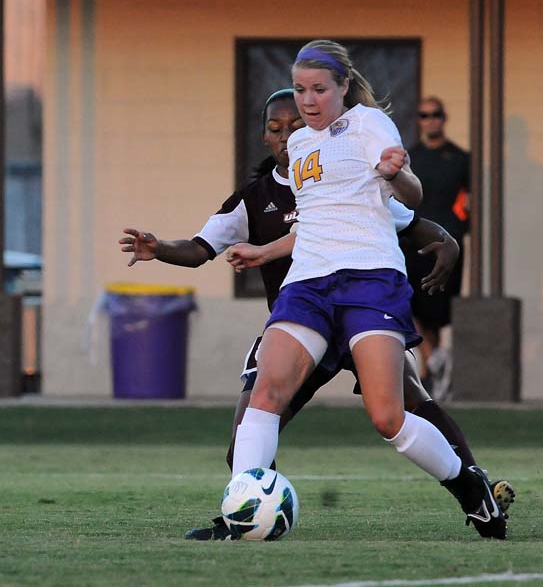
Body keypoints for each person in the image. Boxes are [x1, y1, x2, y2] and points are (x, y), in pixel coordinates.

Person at [119, 87, 513, 541]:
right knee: (246, 432)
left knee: (407, 401)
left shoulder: (345, 177)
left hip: (359, 309)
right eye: (275, 127)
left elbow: (415, 222)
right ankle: (245, 515)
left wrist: (447, 243)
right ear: (264, 137)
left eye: (296, 125)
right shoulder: (255, 198)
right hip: (302, 320)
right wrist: (160, 249)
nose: (286, 135)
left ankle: (474, 483)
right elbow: (199, 248)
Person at [224, 40, 510, 540]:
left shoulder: (369, 126)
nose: (308, 101)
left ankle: (469, 486)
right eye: (299, 89)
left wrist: (397, 174)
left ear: (342, 88)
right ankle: (242, 513)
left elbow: (412, 195)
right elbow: (316, 219)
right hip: (308, 283)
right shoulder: (299, 146)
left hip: (369, 281)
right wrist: (265, 253)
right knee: (264, 397)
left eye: (319, 90)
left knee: (388, 417)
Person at [405, 96, 471, 401]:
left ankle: (431, 375)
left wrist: (460, 227)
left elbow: (470, 201)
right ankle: (433, 359)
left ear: (444, 118)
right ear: (418, 119)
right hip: (412, 241)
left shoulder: (459, 158)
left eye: (435, 114)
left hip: (447, 243)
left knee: (436, 310)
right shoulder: (409, 157)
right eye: (424, 115)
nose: (430, 119)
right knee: (408, 302)